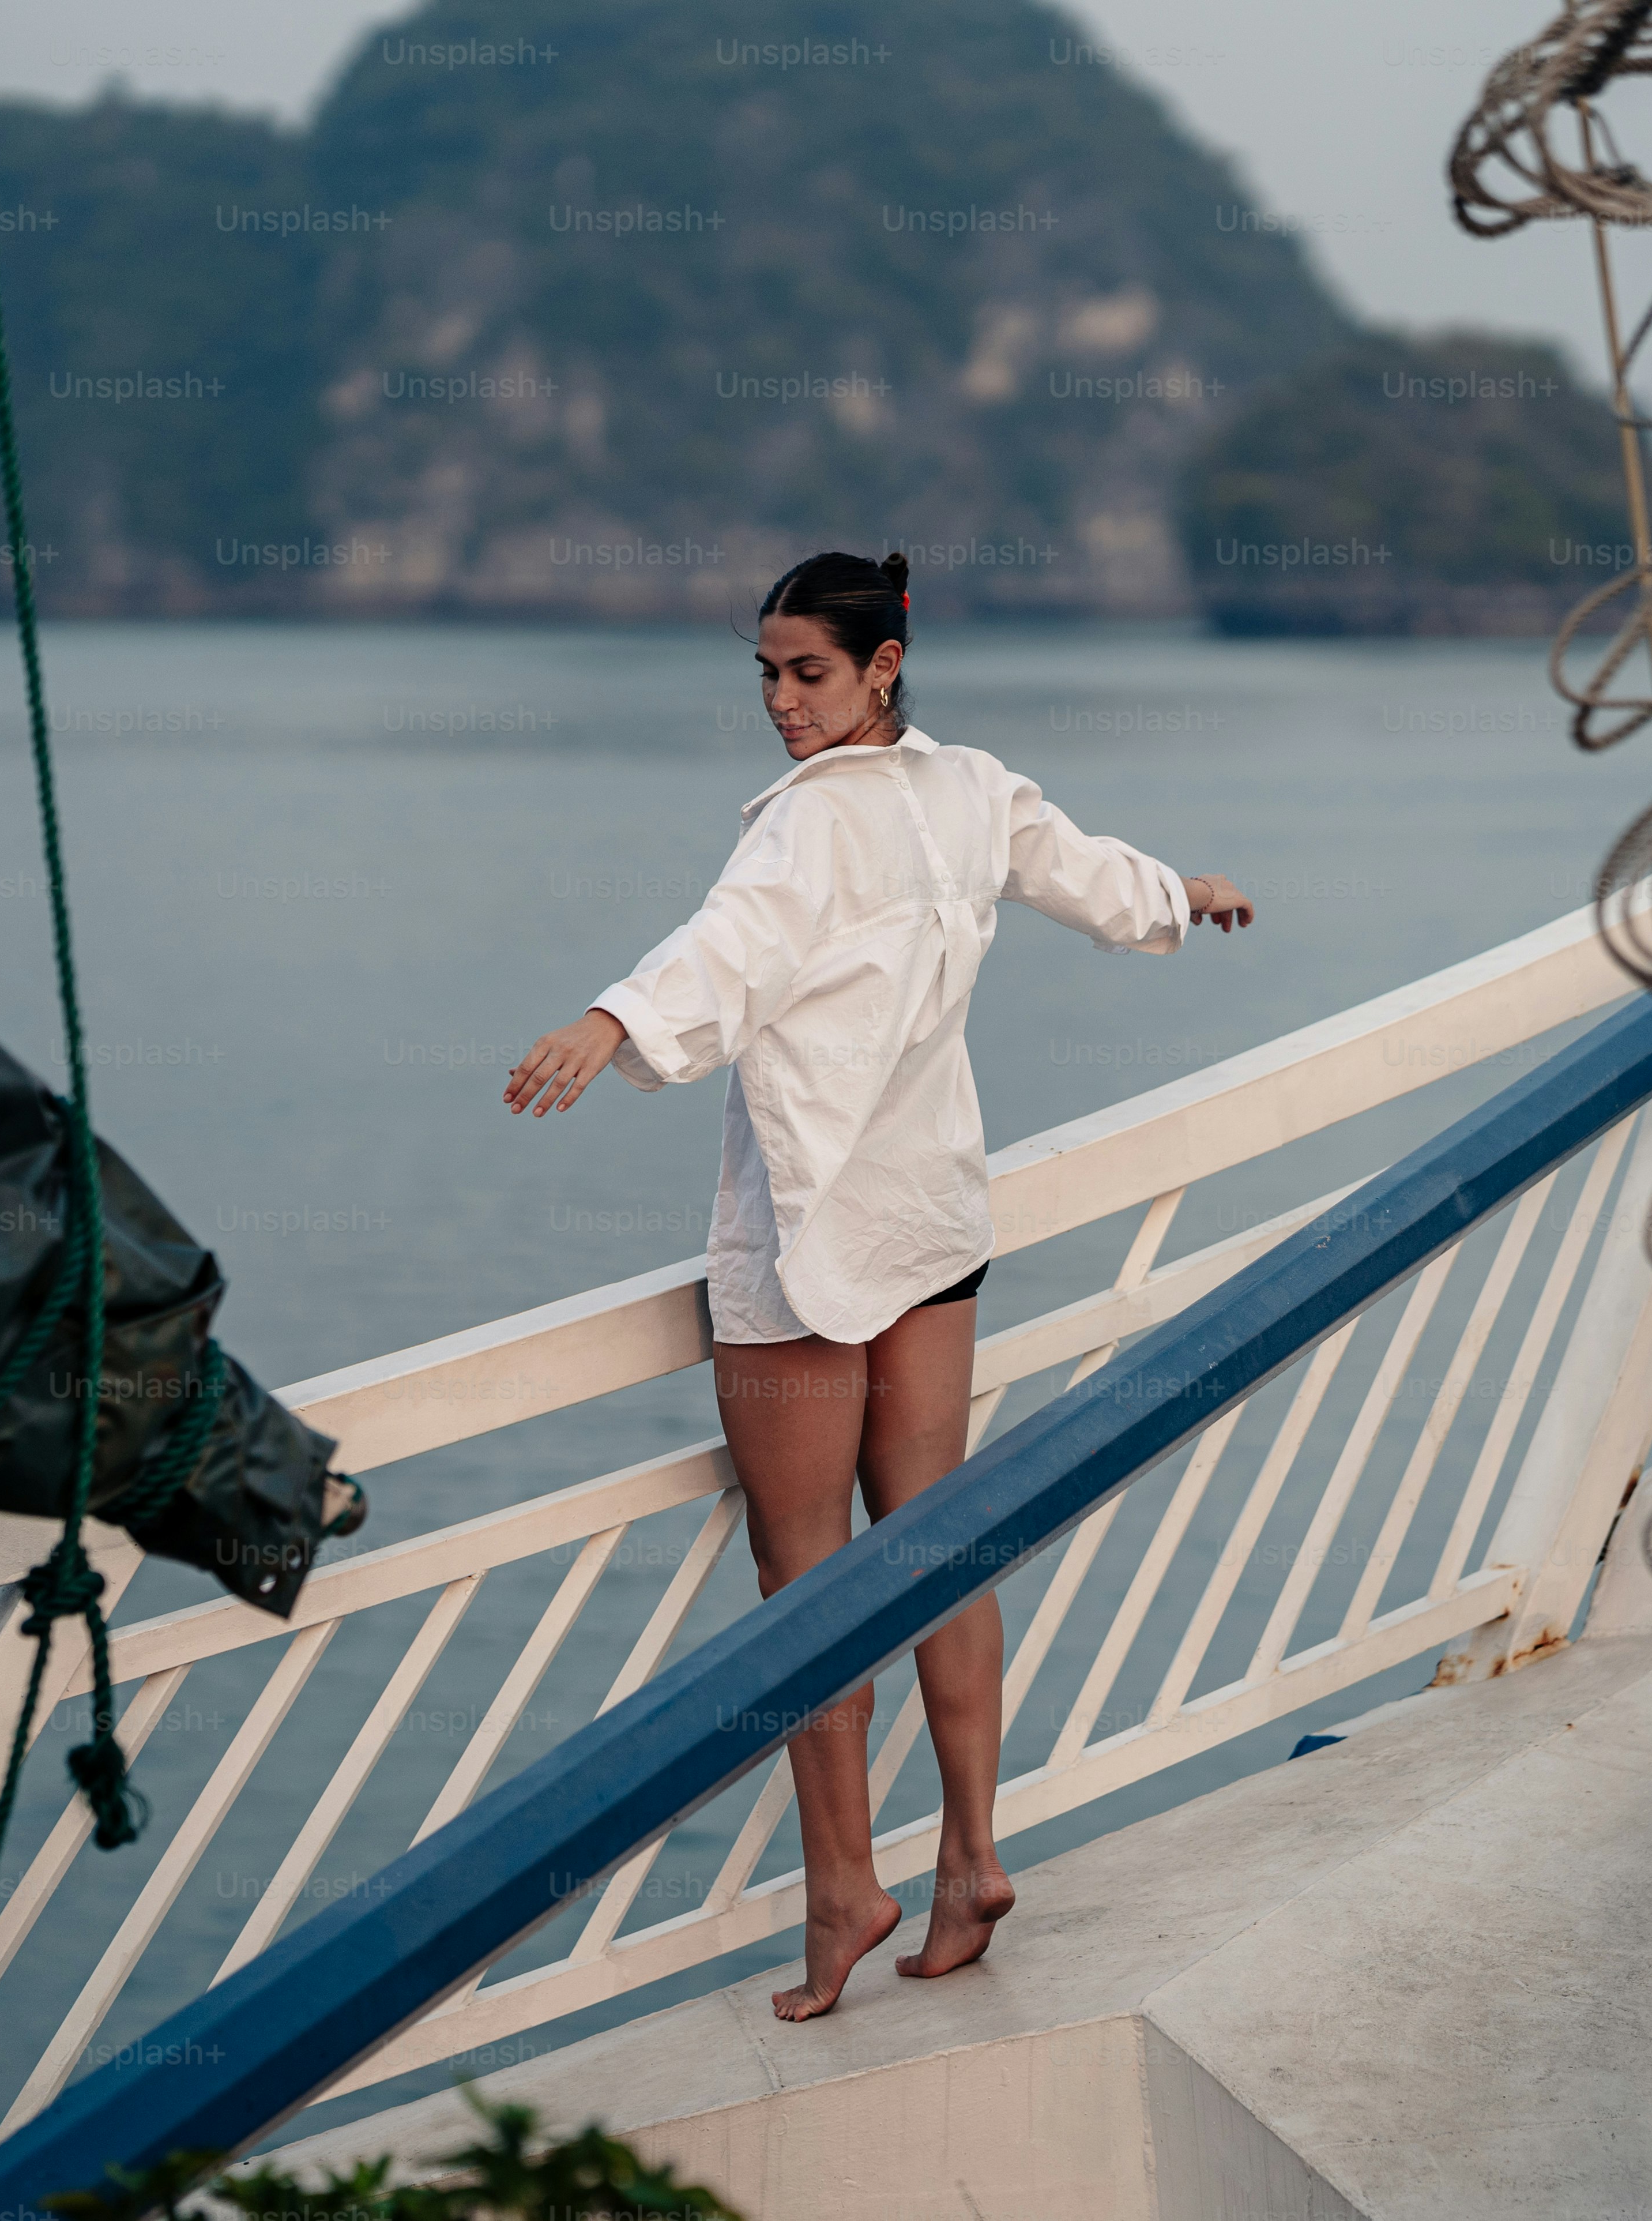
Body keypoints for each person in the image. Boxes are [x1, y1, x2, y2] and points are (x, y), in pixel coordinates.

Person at [503, 549, 1254, 2021]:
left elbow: (723, 954)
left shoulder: (797, 833)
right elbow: (1089, 877)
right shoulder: (972, 786)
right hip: (932, 1217)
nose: (782, 705)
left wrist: (607, 1018)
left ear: (881, 668)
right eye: (769, 677)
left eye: (809, 675)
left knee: (807, 1581)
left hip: (805, 1241)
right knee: (939, 1543)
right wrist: (1187, 893)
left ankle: (845, 1892)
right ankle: (972, 1859)